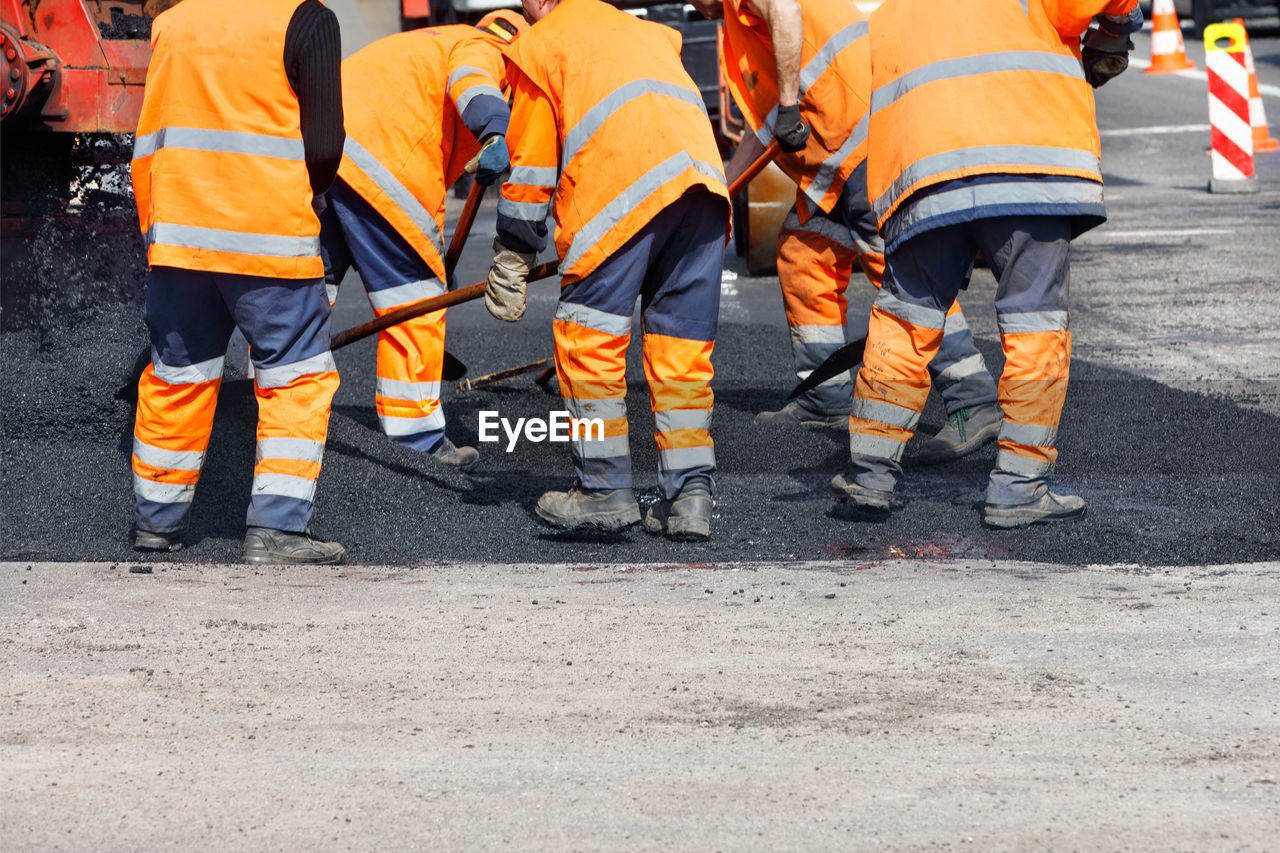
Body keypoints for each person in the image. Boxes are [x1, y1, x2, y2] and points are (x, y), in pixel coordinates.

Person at [832, 0, 1142, 528]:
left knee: (906, 317)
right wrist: (1115, 30)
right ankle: (1018, 487)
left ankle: (870, 475)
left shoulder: (890, 12)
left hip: (925, 172)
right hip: (1028, 160)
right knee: (1034, 320)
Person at [690, 0, 1002, 464]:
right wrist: (711, 191)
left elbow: (785, 12)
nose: (693, 7)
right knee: (804, 250)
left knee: (903, 273)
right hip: (834, 162)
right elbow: (765, 129)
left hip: (866, 140)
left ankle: (973, 399)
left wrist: (791, 105)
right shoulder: (737, 26)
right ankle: (826, 395)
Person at [484, 0, 730, 540]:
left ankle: (602, 490)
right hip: (704, 189)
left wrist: (511, 257)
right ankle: (690, 498)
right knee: (681, 355)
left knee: (587, 339)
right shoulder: (649, 34)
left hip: (620, 190)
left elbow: (530, 174)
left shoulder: (537, 46)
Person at [129, 0, 346, 564]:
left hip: (179, 239)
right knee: (296, 375)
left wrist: (157, 229)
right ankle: (275, 530)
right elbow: (324, 147)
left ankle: (157, 522)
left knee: (178, 375)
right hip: (268, 241)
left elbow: (150, 135)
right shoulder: (308, 21)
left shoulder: (173, 23)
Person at [318, 10, 528, 471]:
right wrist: (494, 128)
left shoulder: (425, 44)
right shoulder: (490, 50)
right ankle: (415, 436)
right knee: (414, 294)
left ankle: (269, 404)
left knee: (308, 288)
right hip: (385, 156)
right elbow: (472, 79)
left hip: (323, 145)